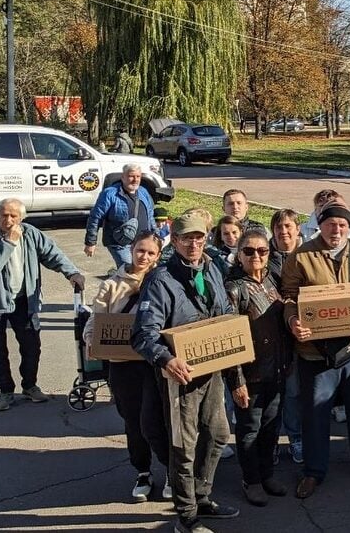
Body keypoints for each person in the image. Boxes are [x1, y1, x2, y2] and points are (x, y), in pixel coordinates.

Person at [131, 213, 240, 533]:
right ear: (174, 241)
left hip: (212, 371)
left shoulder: (212, 269)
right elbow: (142, 334)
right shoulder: (160, 279)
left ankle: (202, 496)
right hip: (180, 377)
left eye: (199, 237)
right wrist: (166, 359)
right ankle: (186, 516)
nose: (194, 243)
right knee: (183, 446)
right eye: (186, 238)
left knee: (218, 434)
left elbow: (224, 313)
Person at [281, 203, 350, 499]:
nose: (337, 230)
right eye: (331, 225)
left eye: (342, 225)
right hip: (315, 352)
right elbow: (289, 296)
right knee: (315, 413)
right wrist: (293, 321)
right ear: (321, 225)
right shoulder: (301, 256)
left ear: (348, 227)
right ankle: (314, 472)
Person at [81, 232, 168, 501]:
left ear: (158, 256)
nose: (144, 257)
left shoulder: (162, 281)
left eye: (151, 253)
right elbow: (95, 321)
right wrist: (91, 340)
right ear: (131, 250)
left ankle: (172, 472)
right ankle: (142, 472)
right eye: (140, 251)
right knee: (132, 421)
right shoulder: (111, 285)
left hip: (153, 363)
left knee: (157, 421)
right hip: (122, 366)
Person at [0, 198, 85, 410]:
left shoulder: (31, 233)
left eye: (13, 216)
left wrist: (72, 272)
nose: (8, 220)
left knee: (32, 346)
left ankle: (30, 385)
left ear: (22, 217)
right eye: (4, 215)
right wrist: (8, 243)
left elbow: (53, 254)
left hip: (25, 299)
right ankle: (5, 391)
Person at [224, 230, 292, 507]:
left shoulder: (273, 280)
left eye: (262, 251)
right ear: (239, 255)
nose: (256, 256)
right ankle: (251, 480)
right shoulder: (233, 288)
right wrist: (236, 380)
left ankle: (267, 475)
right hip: (249, 373)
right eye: (249, 251)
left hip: (277, 369)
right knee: (249, 429)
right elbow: (227, 338)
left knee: (271, 426)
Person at [267, 209, 303, 464]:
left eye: (288, 226)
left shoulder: (308, 255)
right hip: (269, 335)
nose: (284, 232)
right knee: (270, 394)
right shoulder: (263, 255)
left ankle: (296, 438)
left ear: (297, 229)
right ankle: (271, 442)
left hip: (299, 334)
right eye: (279, 227)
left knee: (293, 392)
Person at [84, 163, 155, 268]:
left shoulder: (143, 192)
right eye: (131, 176)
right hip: (120, 244)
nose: (135, 180)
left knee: (144, 272)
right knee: (129, 270)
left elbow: (150, 216)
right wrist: (90, 242)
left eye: (138, 176)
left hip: (142, 243)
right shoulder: (110, 193)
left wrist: (156, 236)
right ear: (123, 177)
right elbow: (95, 218)